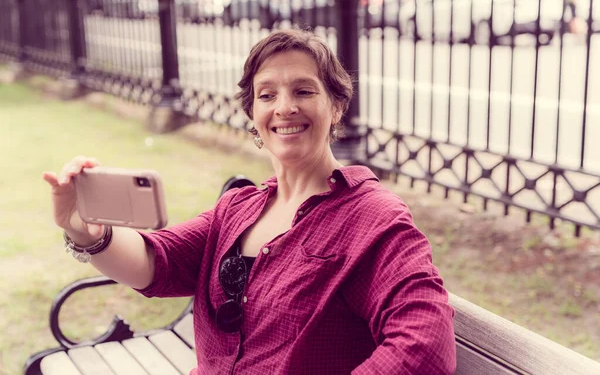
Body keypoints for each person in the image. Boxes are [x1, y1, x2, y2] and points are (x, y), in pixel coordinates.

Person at [43, 28, 456, 374]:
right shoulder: (238, 208)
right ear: (253, 115)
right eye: (267, 95)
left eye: (303, 90)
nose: (285, 107)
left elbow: (425, 345)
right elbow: (156, 263)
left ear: (337, 106)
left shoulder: (373, 218)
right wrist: (84, 229)